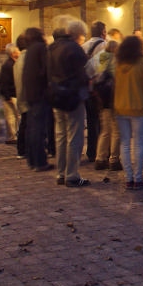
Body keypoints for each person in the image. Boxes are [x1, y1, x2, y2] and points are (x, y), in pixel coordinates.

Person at [47, 17, 90, 188]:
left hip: (56, 94)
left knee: (61, 135)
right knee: (74, 136)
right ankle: (72, 175)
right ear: (77, 34)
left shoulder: (52, 47)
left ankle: (61, 172)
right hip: (72, 96)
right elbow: (84, 72)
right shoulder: (74, 49)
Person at [113, 35, 143, 190]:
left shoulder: (118, 63)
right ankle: (138, 178)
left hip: (120, 107)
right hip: (138, 107)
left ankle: (128, 178)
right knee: (138, 143)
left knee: (124, 143)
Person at [21, 27, 54, 172]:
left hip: (30, 93)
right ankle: (40, 161)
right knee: (39, 129)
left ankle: (32, 160)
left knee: (32, 127)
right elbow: (46, 70)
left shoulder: (30, 50)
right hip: (40, 93)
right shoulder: (41, 48)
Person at [91, 40, 122, 171]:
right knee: (116, 130)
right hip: (114, 99)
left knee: (105, 130)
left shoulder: (100, 60)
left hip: (102, 100)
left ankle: (100, 158)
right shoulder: (116, 62)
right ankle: (114, 160)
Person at [83, 21, 107, 163]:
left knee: (91, 121)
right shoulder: (104, 46)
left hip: (87, 88)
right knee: (104, 122)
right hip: (100, 89)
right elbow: (102, 69)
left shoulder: (83, 46)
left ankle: (91, 151)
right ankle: (101, 151)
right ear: (103, 32)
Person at [0, 42, 20, 145]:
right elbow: (4, 82)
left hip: (14, 94)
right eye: (18, 50)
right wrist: (7, 96)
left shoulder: (14, 63)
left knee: (15, 116)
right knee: (12, 116)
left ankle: (14, 135)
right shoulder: (9, 65)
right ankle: (13, 136)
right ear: (13, 53)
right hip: (11, 94)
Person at [12, 34, 29, 159]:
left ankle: (22, 149)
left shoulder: (19, 60)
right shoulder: (28, 59)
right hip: (28, 97)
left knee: (24, 123)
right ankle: (23, 149)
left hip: (21, 96)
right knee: (27, 124)